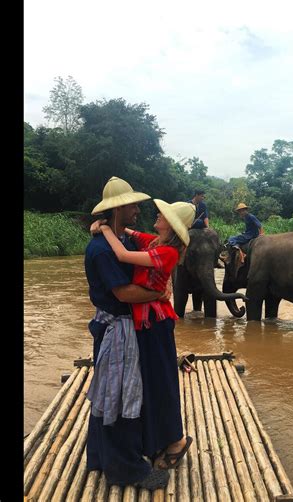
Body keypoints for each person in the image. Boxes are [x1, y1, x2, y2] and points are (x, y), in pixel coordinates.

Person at [91, 196, 196, 473]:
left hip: (156, 324)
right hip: (144, 325)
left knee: (162, 381)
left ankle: (176, 440)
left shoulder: (166, 252)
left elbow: (124, 258)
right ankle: (156, 440)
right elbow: (129, 233)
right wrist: (106, 225)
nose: (154, 215)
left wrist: (103, 231)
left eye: (162, 215)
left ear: (171, 227)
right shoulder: (153, 241)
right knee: (150, 383)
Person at [84, 176, 170, 490]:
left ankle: (99, 455)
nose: (137, 209)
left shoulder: (124, 241)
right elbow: (123, 293)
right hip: (115, 330)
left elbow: (155, 248)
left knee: (110, 394)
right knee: (119, 398)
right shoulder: (102, 250)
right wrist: (158, 295)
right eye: (133, 204)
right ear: (119, 209)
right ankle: (126, 469)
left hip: (120, 329)